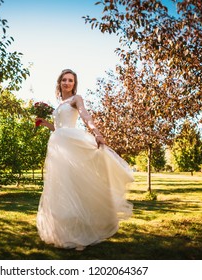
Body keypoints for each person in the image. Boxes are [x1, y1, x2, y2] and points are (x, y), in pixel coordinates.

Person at [36, 69, 134, 251]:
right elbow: (58, 128)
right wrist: (45, 123)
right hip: (58, 146)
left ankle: (84, 235)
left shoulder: (76, 99)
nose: (67, 83)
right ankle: (65, 233)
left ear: (74, 83)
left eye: (70, 80)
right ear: (59, 83)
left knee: (76, 186)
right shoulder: (59, 104)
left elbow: (85, 115)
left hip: (72, 144)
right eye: (64, 80)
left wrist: (96, 132)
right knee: (62, 187)